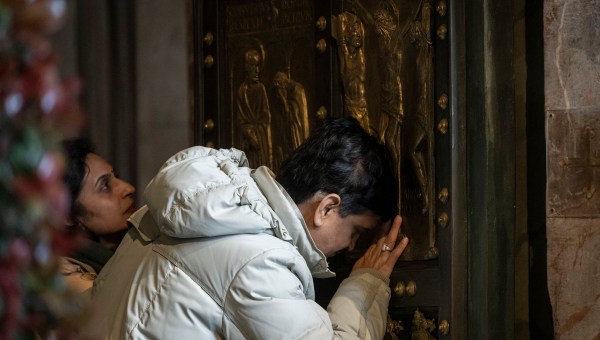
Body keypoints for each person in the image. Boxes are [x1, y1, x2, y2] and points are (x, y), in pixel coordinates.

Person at [87, 117, 409, 339]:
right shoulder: (260, 261)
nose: (352, 248)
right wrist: (366, 284)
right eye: (356, 232)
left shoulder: (162, 211)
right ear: (326, 208)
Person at [60, 138, 136, 295]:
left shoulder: (133, 250)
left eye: (117, 177)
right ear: (69, 217)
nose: (128, 188)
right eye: (105, 186)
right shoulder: (68, 280)